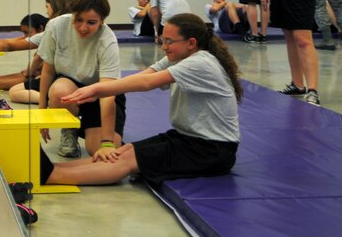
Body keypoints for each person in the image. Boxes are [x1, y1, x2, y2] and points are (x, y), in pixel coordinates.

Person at [43, 13, 241, 186]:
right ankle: (52, 168)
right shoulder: (180, 57)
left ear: (191, 43)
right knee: (124, 150)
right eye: (163, 40)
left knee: (128, 160)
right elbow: (144, 75)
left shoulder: (200, 62)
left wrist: (97, 89)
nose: (164, 46)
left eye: (170, 41)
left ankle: (52, 176)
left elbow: (148, 83)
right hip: (187, 137)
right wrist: (102, 88)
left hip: (212, 150)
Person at [37, 0, 125, 159]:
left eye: (91, 23)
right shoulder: (56, 25)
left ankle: (94, 130)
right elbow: (47, 71)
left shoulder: (107, 40)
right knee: (59, 90)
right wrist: (42, 113)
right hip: (70, 86)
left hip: (100, 93)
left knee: (98, 150)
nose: (83, 27)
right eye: (78, 20)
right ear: (72, 13)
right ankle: (70, 129)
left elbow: (108, 94)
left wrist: (107, 142)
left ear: (102, 21)